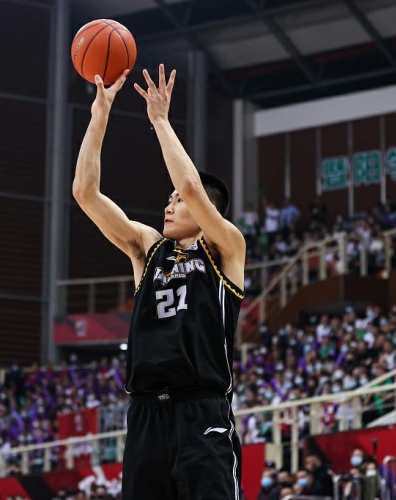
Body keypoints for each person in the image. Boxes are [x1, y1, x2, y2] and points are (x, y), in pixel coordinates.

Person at [73, 65, 246, 500]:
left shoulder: (226, 247)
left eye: (176, 203)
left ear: (208, 211)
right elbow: (85, 194)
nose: (168, 206)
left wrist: (160, 120)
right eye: (166, 200)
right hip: (146, 413)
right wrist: (100, 115)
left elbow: (189, 186)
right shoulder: (148, 249)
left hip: (202, 409)